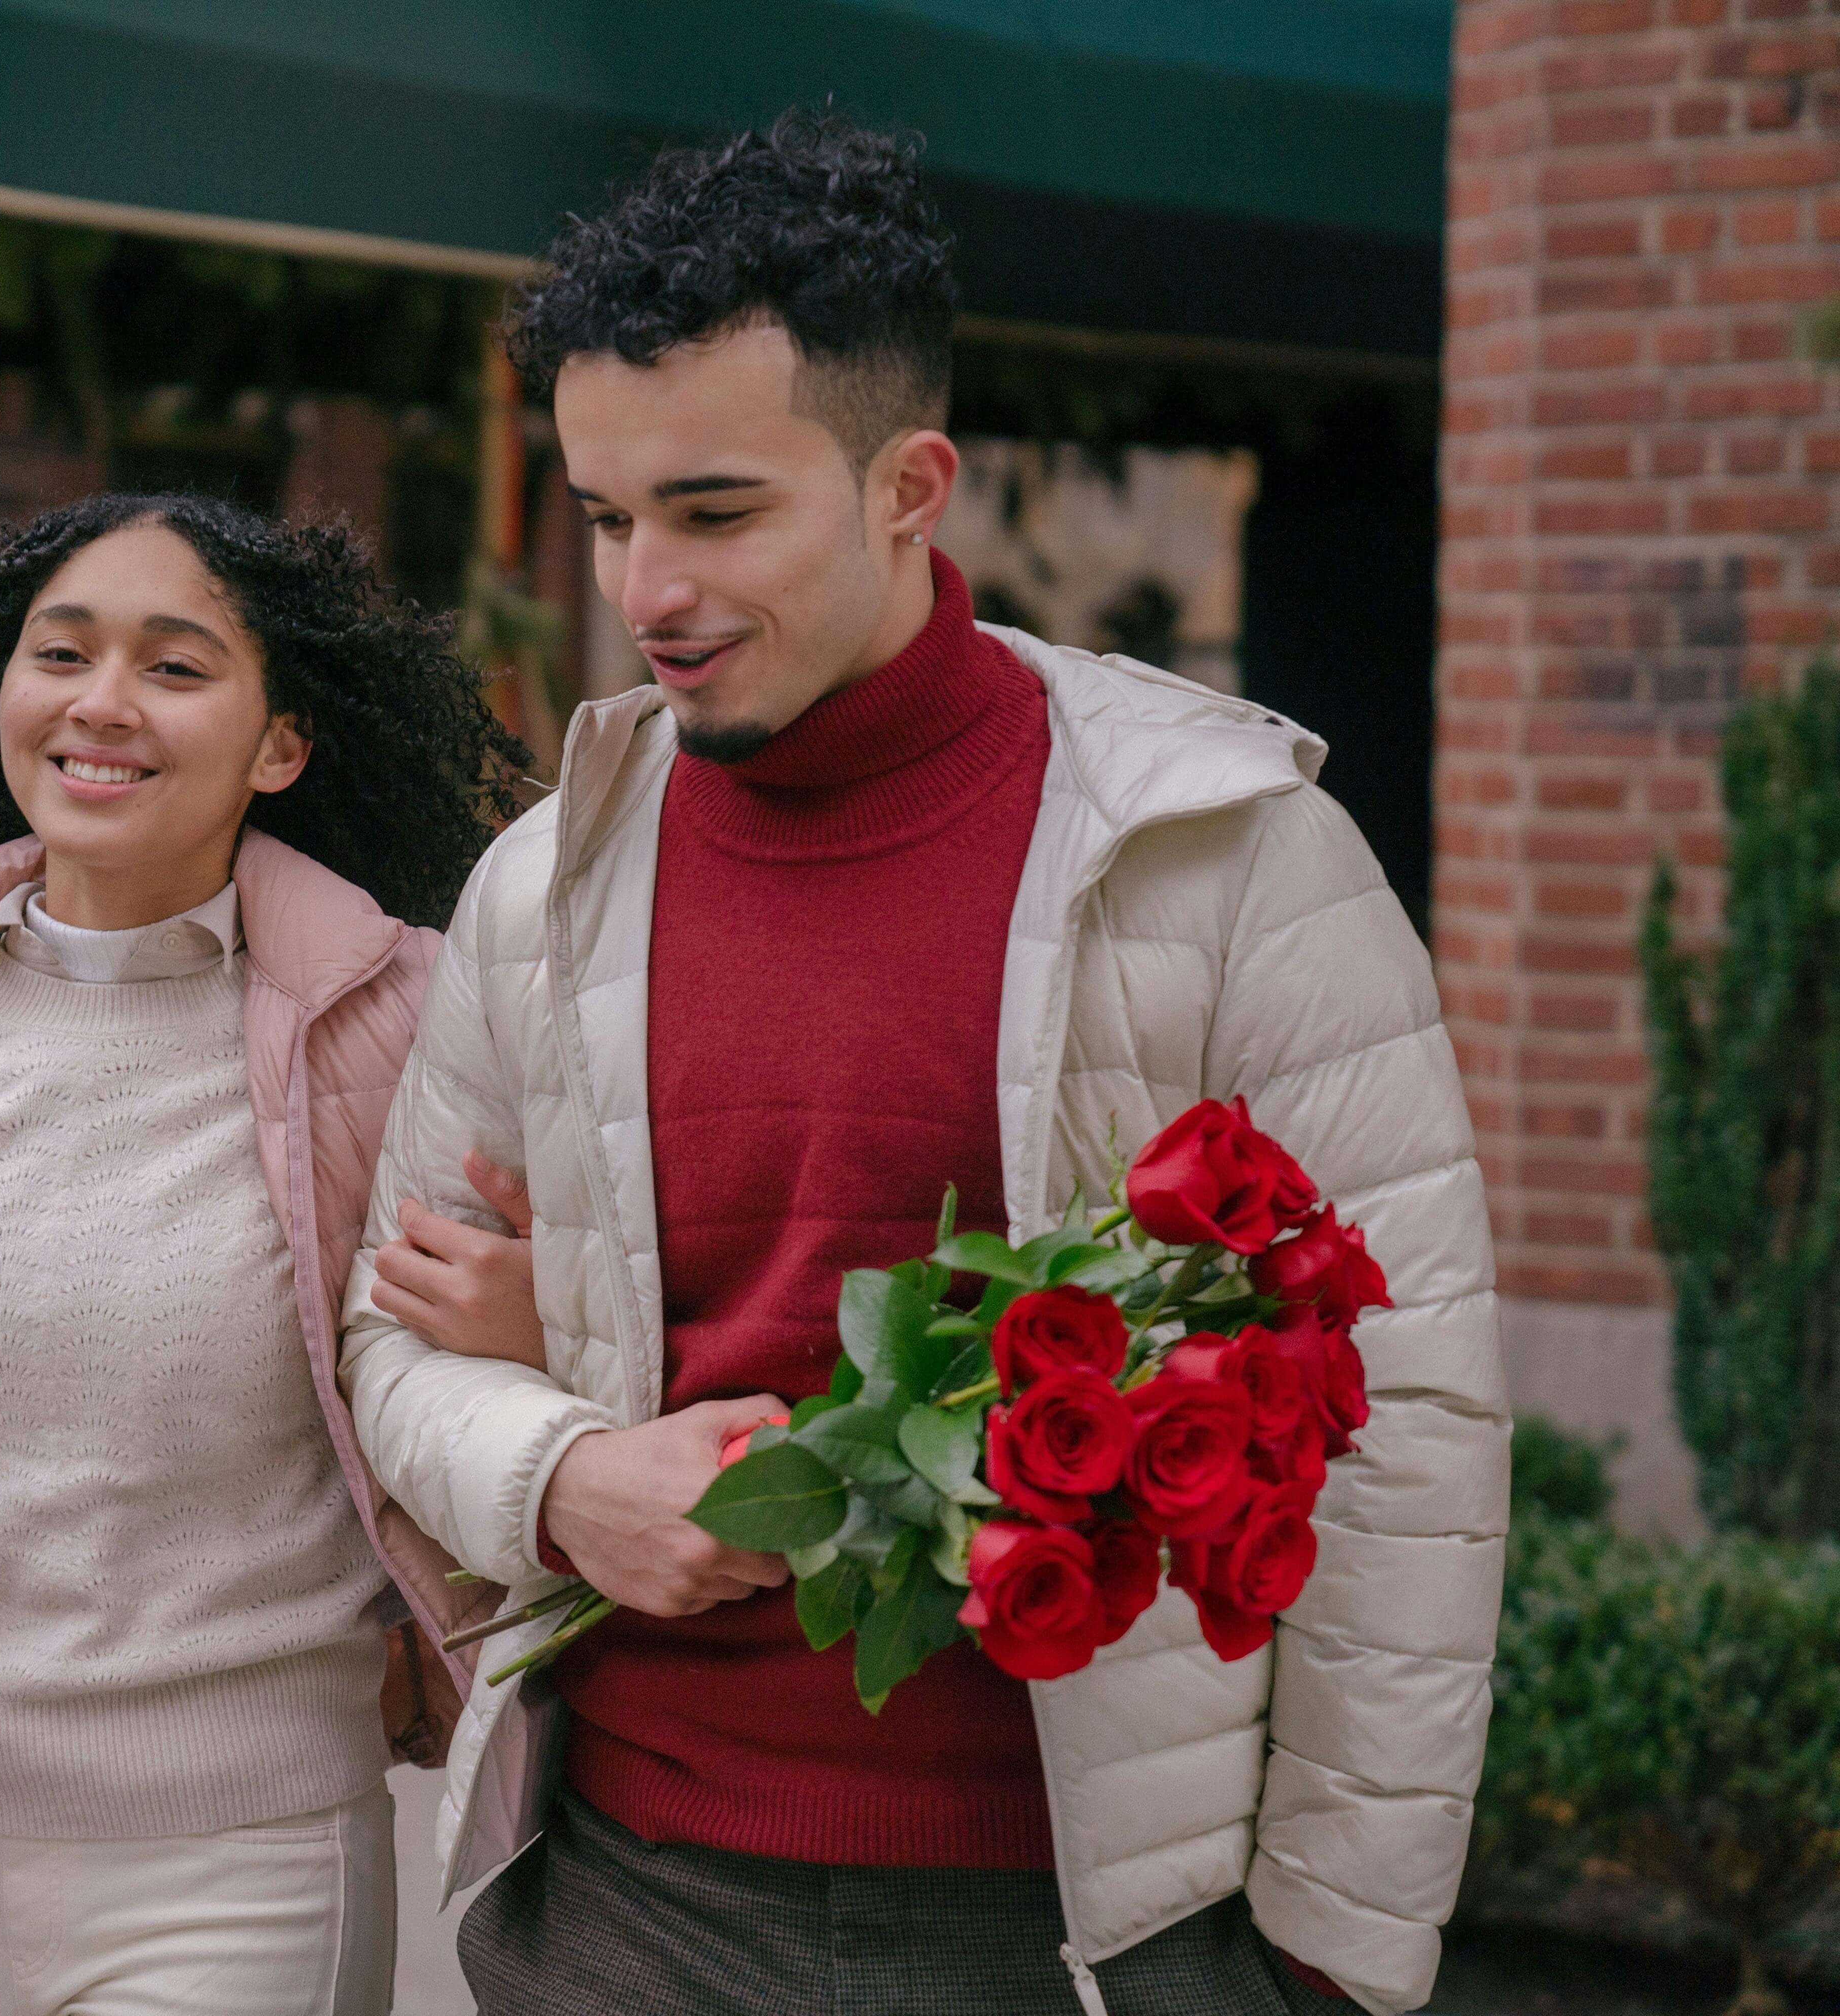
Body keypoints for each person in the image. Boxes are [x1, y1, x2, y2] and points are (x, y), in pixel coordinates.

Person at [340, 110, 1504, 2016]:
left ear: (910, 485)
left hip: (1083, 1940)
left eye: (717, 514)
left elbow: (1414, 1423)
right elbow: (389, 1345)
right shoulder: (541, 886)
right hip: (625, 1908)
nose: (646, 591)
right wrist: (565, 1479)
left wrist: (1334, 1956)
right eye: (610, 518)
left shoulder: (1228, 857)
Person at [0, 492, 521, 2016]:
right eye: (60, 653)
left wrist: (529, 1321)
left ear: (282, 745)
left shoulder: (401, 1020)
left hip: (245, 1867)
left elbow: (542, 1328)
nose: (102, 703)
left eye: (176, 667)